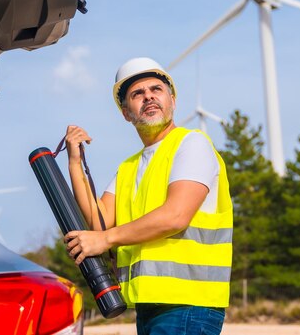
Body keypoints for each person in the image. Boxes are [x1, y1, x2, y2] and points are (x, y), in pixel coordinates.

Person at [63, 57, 233, 335]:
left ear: (172, 100)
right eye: (137, 94)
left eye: (156, 89)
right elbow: (100, 222)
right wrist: (74, 163)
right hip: (148, 304)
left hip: (188, 304)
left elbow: (176, 216)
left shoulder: (192, 144)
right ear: (126, 113)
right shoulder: (129, 167)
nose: (149, 97)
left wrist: (104, 240)